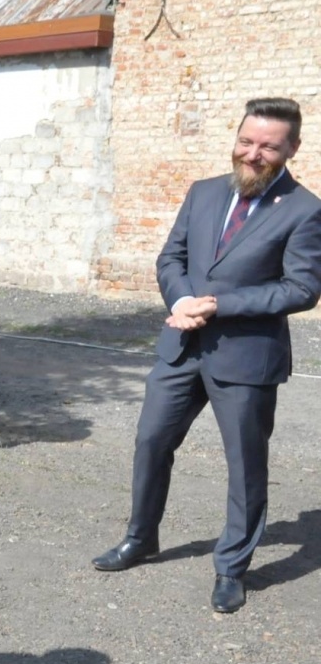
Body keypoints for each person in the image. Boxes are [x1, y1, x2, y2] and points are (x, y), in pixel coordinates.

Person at [93, 98, 321, 614]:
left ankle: (232, 567)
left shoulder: (305, 210)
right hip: (181, 345)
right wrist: (180, 302)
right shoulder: (203, 192)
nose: (254, 154)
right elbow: (171, 257)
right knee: (151, 441)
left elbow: (302, 288)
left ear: (292, 149)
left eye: (268, 146)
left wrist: (219, 305)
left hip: (246, 358)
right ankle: (140, 537)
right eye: (246, 140)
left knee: (244, 465)